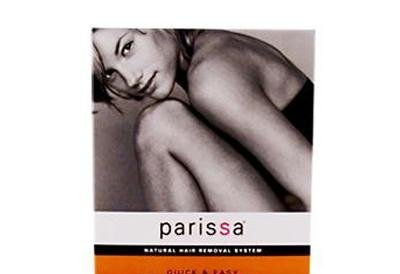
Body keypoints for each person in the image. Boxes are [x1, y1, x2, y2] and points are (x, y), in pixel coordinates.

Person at [92, 29, 313, 212]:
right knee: (161, 123)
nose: (130, 78)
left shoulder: (211, 76)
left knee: (159, 124)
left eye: (127, 48)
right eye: (109, 74)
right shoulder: (209, 53)